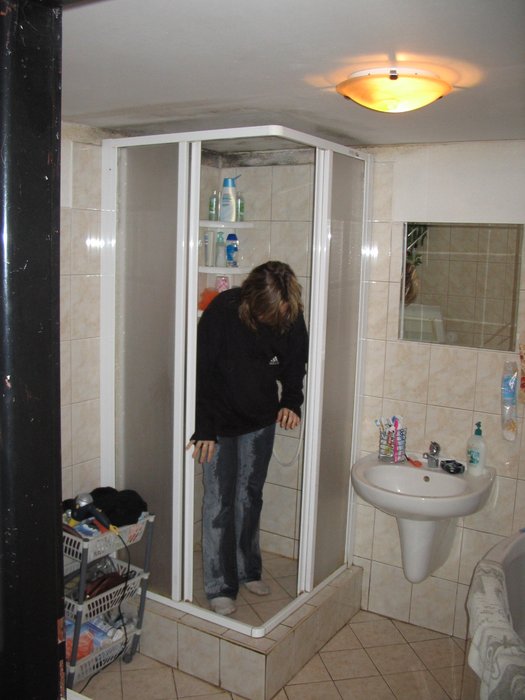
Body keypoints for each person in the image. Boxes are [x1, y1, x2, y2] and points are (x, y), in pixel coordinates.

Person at [187, 261, 308, 616]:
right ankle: (220, 585)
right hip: (219, 424)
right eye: (266, 314)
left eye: (279, 313)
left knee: (249, 496)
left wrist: (291, 401)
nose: (273, 320)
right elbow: (201, 373)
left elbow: (295, 363)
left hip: (259, 421)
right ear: (250, 301)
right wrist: (204, 427)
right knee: (219, 502)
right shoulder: (222, 311)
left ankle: (247, 570)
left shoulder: (290, 314)